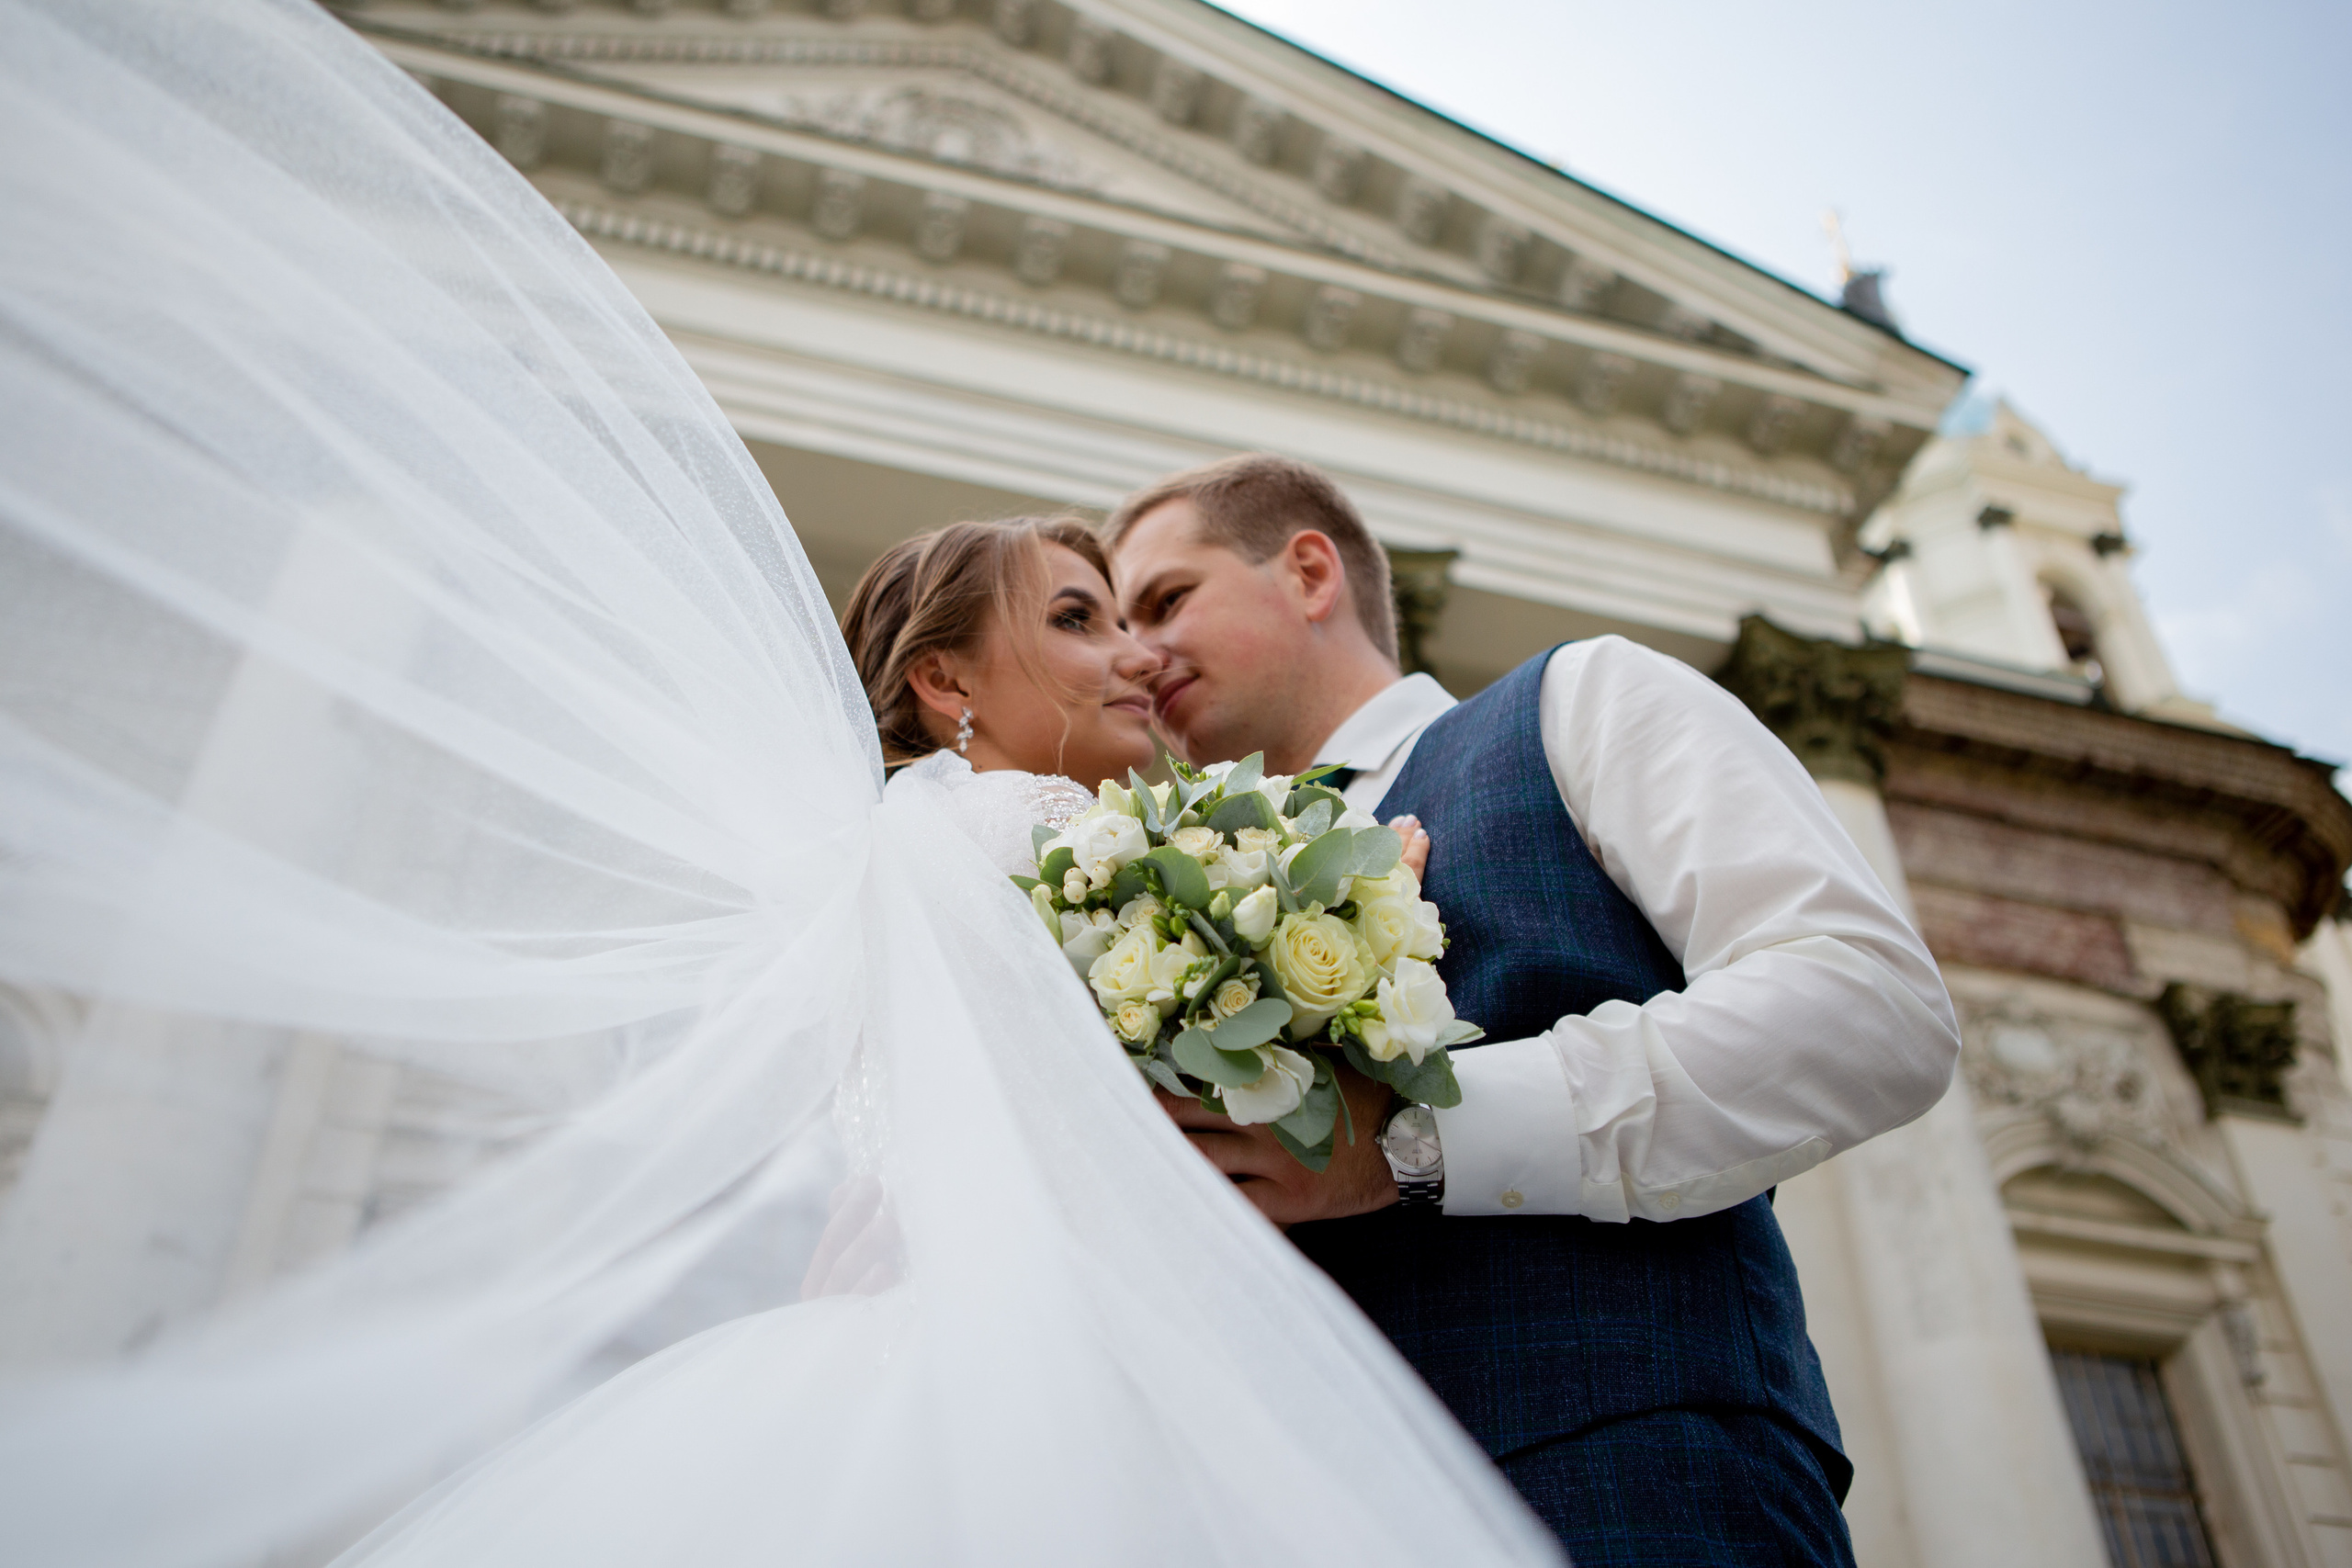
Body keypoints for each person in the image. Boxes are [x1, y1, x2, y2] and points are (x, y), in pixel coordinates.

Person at [0, 6, 1559, 1565]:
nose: (1136, 662)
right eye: (1079, 620)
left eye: (1139, 616)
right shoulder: (1028, 840)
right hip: (1042, 1362)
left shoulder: (935, 843)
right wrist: (1360, 904)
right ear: (947, 686)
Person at [1106, 452, 1963, 1564]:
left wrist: (1413, 1143)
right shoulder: (1164, 901)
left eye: (1167, 600)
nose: (1133, 653)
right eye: (1113, 623)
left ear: (1310, 571)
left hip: (1626, 1482)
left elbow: (1865, 1005)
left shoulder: (1583, 701)